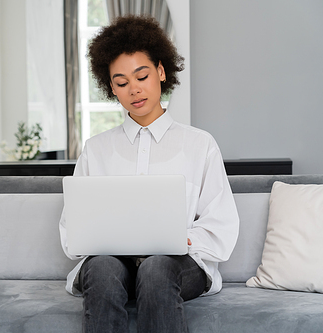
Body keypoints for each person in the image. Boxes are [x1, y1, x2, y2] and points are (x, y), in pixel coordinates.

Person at [59, 15, 239, 333]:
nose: (135, 90)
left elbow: (220, 225)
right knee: (101, 267)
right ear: (111, 87)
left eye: (141, 76)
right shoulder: (96, 149)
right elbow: (71, 232)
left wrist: (181, 238)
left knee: (156, 267)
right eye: (122, 82)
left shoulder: (200, 144)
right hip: (113, 268)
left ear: (160, 70)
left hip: (177, 266)